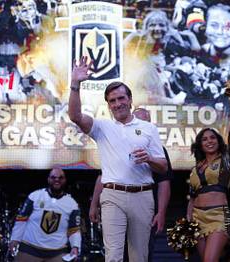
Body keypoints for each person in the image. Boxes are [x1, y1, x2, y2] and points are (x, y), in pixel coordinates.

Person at [69, 56, 168, 262]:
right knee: (113, 256)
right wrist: (75, 85)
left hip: (143, 196)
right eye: (112, 101)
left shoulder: (148, 128)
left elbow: (163, 166)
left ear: (130, 100)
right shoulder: (102, 127)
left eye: (121, 98)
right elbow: (75, 116)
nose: (117, 104)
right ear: (108, 105)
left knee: (139, 257)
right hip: (113, 195)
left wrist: (149, 158)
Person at [88, 107, 172, 262]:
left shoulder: (157, 149)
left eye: (142, 121)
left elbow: (164, 182)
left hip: (144, 203)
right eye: (135, 119)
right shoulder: (116, 144)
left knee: (141, 254)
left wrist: (161, 212)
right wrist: (94, 204)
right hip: (115, 198)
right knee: (114, 253)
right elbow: (103, 176)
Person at [186, 95, 230, 262]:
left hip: (218, 216)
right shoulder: (196, 168)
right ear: (200, 144)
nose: (209, 141)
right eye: (205, 139)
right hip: (197, 218)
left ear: (218, 141)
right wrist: (188, 221)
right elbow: (192, 197)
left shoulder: (226, 161)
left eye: (213, 138)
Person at [9, 167, 81, 262]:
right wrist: (14, 239)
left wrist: (75, 247)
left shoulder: (72, 204)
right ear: (48, 179)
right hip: (30, 249)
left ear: (65, 180)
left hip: (57, 252)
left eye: (60, 177)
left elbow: (74, 230)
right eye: (53, 177)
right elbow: (21, 220)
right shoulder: (34, 196)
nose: (57, 180)